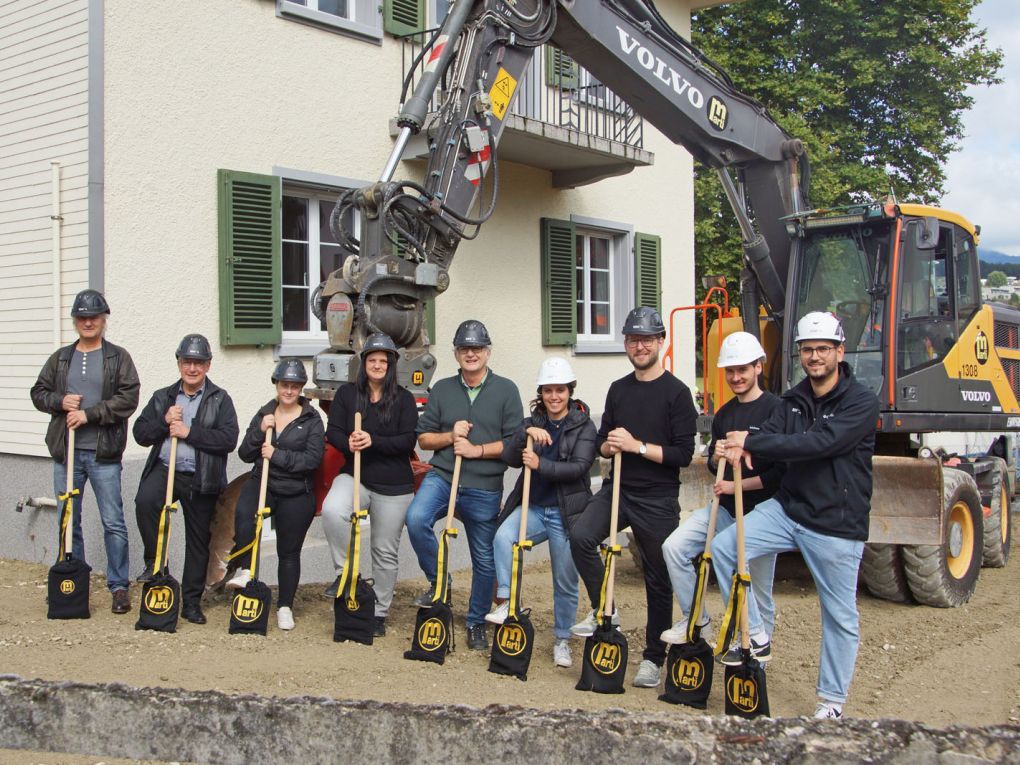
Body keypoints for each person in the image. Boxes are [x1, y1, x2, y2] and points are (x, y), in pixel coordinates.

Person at [713, 311, 879, 720]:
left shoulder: (860, 402)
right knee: (723, 548)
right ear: (799, 354)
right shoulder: (792, 400)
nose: (815, 357)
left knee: (839, 616)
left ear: (840, 352)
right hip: (788, 510)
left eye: (823, 349)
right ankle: (756, 634)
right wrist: (735, 447)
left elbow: (820, 443)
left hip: (836, 523)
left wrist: (755, 440)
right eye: (808, 350)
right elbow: (769, 433)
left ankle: (831, 702)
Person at [569, 306, 698, 688]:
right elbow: (604, 440)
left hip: (657, 497)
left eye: (646, 339)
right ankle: (603, 607)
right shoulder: (619, 389)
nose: (639, 346)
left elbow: (683, 455)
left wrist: (637, 446)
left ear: (661, 341)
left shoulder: (677, 393)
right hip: (619, 490)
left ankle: (654, 658)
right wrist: (608, 447)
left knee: (658, 577)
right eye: (632, 339)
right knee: (581, 536)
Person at [659, 331, 783, 648]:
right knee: (674, 548)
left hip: (763, 514)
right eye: (731, 371)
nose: (736, 377)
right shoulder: (725, 414)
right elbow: (716, 464)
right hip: (726, 509)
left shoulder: (776, 411)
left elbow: (778, 475)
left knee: (757, 589)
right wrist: (716, 459)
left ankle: (757, 650)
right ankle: (696, 617)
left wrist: (735, 484)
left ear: (758, 367)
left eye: (743, 369)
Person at [406, 319, 523, 651]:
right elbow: (425, 440)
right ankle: (439, 582)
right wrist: (451, 435)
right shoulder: (442, 388)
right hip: (443, 477)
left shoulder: (506, 390)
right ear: (456, 353)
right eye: (464, 349)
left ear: (487, 352)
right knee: (416, 519)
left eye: (477, 348)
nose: (471, 354)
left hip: (484, 486)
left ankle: (475, 622)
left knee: (484, 558)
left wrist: (476, 450)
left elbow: (514, 443)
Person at [30, 289, 140, 615]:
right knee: (68, 520)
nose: (88, 322)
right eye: (82, 317)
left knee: (113, 522)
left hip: (103, 455)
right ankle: (72, 583)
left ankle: (119, 586)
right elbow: (39, 392)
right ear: (76, 321)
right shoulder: (61, 358)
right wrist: (59, 403)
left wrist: (88, 414)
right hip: (67, 453)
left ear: (104, 319)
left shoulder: (117, 358)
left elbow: (128, 398)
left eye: (94, 316)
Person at [485, 357, 597, 668]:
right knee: (503, 537)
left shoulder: (583, 425)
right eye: (548, 391)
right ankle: (508, 602)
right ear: (541, 392)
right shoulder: (532, 422)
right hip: (533, 509)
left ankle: (562, 639)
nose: (554, 397)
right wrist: (527, 435)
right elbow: (509, 457)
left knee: (564, 579)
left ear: (569, 391)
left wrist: (541, 464)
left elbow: (579, 468)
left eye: (560, 390)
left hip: (566, 513)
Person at [133, 334, 239, 625]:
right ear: (179, 363)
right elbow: (141, 434)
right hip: (166, 469)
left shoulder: (219, 399)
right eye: (187, 362)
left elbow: (228, 439)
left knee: (197, 540)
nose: (192, 368)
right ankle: (156, 566)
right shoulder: (164, 397)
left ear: (208, 366)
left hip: (201, 477)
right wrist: (163, 422)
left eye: (199, 363)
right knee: (145, 502)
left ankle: (191, 602)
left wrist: (189, 432)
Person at [321, 333, 418, 637]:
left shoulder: (403, 399)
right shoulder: (348, 395)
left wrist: (374, 441)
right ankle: (345, 574)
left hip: (394, 485)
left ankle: (379, 611)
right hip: (357, 476)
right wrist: (348, 442)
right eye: (372, 360)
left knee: (384, 550)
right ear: (363, 364)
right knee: (334, 508)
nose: (377, 365)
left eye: (383, 361)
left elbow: (407, 441)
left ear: (391, 365)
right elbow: (333, 431)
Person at [225, 359, 323, 631]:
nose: (289, 391)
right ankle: (246, 572)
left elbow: (312, 459)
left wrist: (277, 455)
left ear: (301, 388)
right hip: (263, 482)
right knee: (244, 517)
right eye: (284, 385)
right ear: (276, 385)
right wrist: (259, 432)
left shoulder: (312, 420)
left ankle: (285, 607)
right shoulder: (265, 413)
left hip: (296, 491)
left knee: (288, 552)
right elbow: (246, 453)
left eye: (294, 386)